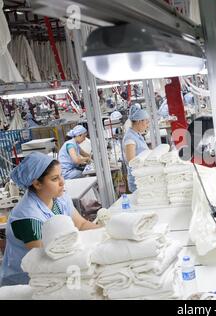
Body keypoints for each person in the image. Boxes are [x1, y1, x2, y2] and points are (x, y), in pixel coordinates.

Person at [0, 152, 100, 286]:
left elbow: (80, 224)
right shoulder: (27, 217)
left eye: (61, 175)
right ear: (37, 184)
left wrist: (107, 230)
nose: (62, 182)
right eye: (54, 179)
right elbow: (43, 258)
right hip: (28, 282)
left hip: (54, 272)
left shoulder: (59, 198)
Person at [122, 103, 150, 193]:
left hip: (142, 177)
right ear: (138, 121)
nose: (147, 125)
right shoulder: (130, 138)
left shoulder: (136, 135)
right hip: (137, 180)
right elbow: (132, 162)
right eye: (146, 122)